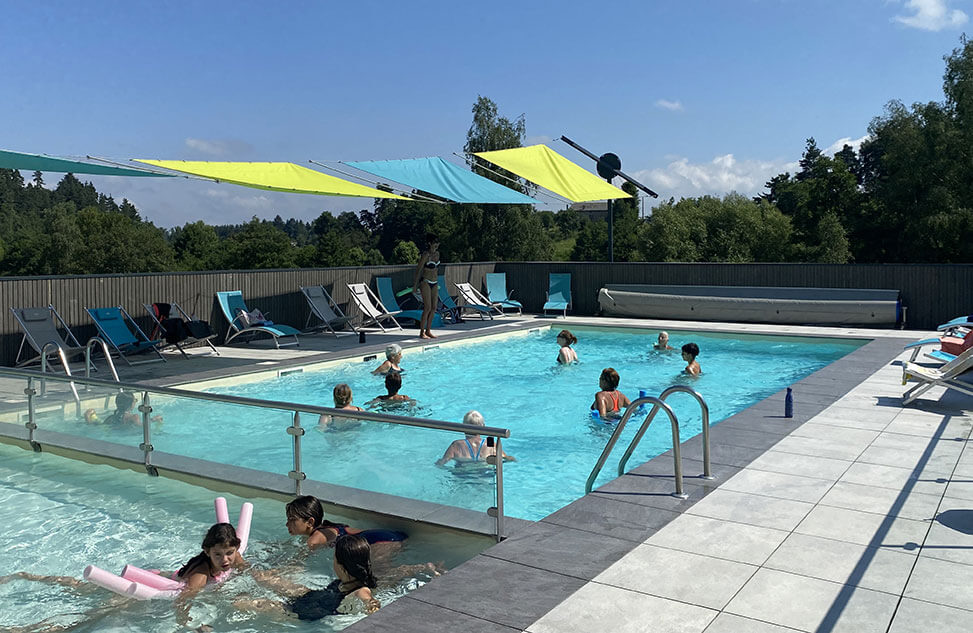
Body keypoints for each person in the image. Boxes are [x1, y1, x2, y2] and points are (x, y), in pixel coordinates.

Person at [285, 495, 407, 549]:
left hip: (379, 542)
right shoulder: (327, 527)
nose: (287, 524)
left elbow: (300, 563)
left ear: (310, 522)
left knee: (384, 580)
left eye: (292, 520)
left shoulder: (314, 539)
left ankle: (421, 568)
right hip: (388, 535)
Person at [436, 410, 516, 466]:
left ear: (462, 427)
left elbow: (442, 463)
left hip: (462, 478)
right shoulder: (490, 444)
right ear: (483, 427)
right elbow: (508, 458)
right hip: (484, 476)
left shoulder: (456, 445)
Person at [412, 233, 440, 339]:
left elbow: (436, 269)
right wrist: (415, 285)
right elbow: (418, 270)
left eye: (437, 243)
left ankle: (428, 330)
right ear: (429, 243)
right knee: (427, 307)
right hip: (425, 282)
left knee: (434, 307)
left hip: (435, 282)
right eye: (434, 243)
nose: (436, 245)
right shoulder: (425, 255)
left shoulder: (437, 254)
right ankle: (421, 331)